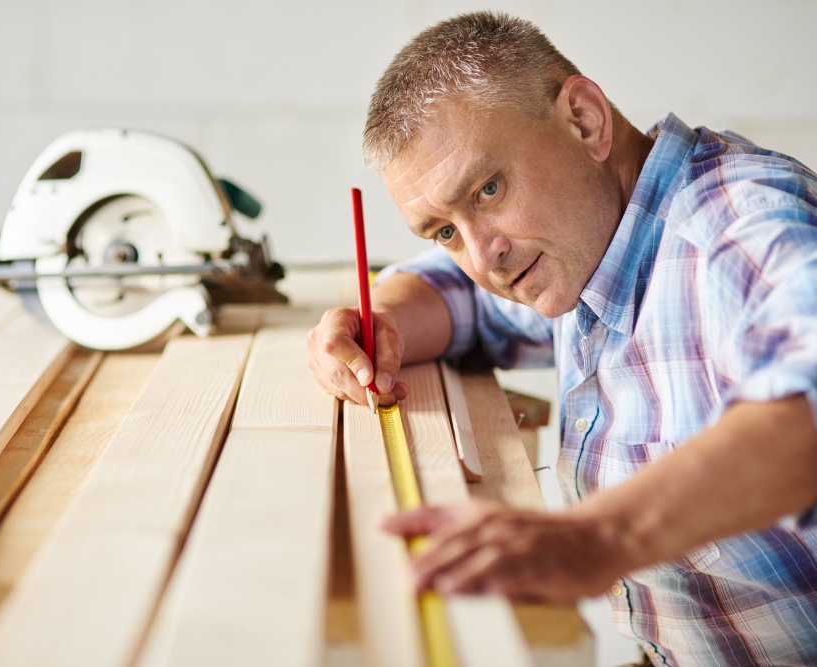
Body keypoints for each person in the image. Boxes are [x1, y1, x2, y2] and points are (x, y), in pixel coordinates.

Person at [306, 11, 817, 667]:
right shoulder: (584, 240)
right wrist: (378, 323)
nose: (484, 254)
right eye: (443, 230)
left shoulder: (740, 229)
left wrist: (599, 535)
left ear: (585, 119)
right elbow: (459, 295)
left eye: (489, 188)